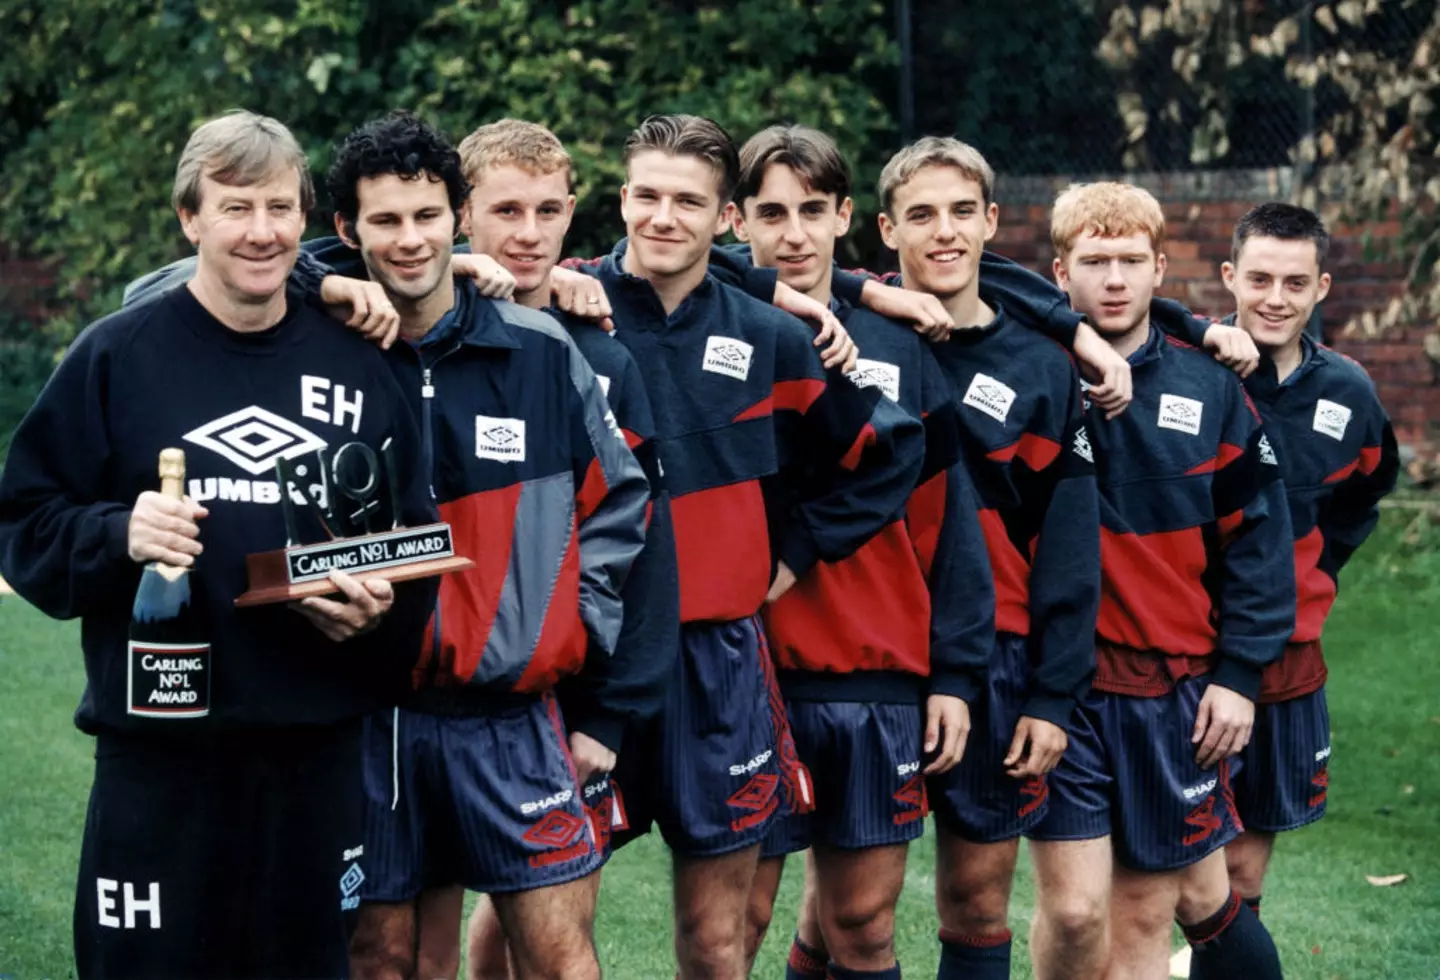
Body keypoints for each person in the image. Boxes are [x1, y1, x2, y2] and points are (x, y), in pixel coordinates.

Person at [0, 110, 436, 979]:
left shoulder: (362, 360)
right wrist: (119, 531)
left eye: (281, 207)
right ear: (189, 218)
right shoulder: (117, 356)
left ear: (306, 221)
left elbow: (411, 547)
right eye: (235, 207)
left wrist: (375, 617)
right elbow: (24, 525)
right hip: (160, 760)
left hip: (310, 761)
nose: (262, 231)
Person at [566, 113, 925, 980]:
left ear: (726, 218)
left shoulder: (773, 336)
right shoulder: (565, 308)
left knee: (717, 940)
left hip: (716, 658)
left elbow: (889, 451)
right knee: (534, 924)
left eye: (688, 200)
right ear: (620, 200)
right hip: (589, 656)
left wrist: (791, 557)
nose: (662, 217)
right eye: (645, 195)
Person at [725, 125, 994, 980]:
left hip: (876, 674)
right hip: (750, 671)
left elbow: (949, 527)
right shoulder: (710, 336)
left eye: (812, 211)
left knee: (862, 924)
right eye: (771, 213)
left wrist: (953, 674)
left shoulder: (904, 347)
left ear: (846, 216)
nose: (793, 234)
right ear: (736, 222)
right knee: (738, 924)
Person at [1032, 181, 1293, 980]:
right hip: (1057, 687)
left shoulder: (1209, 385)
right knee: (1074, 912)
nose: (1113, 279)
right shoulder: (1032, 366)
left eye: (1131, 261)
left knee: (1145, 911)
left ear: (1158, 270)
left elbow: (1259, 543)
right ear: (1059, 273)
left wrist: (1240, 676)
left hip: (1168, 685)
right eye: (1094, 261)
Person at [1158, 203, 1398, 977]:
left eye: (1296, 282)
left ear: (1322, 287)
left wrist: (1319, 571)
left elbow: (1368, 489)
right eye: (1258, 278)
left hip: (1285, 665)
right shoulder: (1184, 367)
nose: (1274, 297)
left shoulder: (1349, 394)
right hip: (1187, 657)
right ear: (1229, 277)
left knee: (1242, 876)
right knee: (1173, 874)